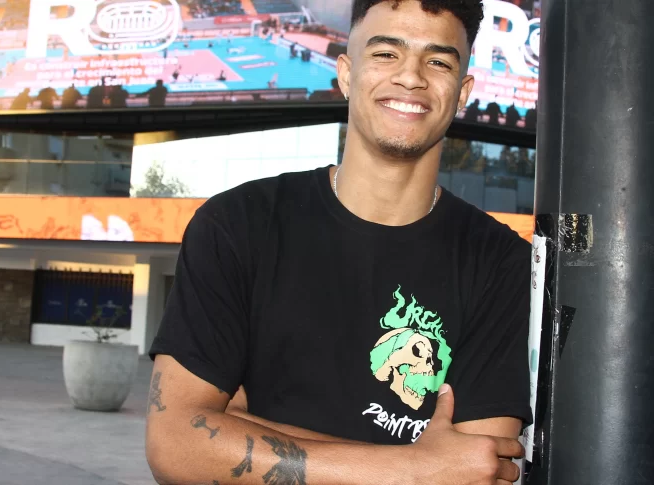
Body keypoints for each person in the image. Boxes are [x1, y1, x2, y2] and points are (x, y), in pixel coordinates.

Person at [146, 1, 531, 484]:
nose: (410, 77)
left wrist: (240, 428)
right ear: (346, 74)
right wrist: (414, 467)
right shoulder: (238, 224)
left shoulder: (502, 263)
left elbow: (477, 472)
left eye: (437, 61)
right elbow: (175, 445)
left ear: (463, 93)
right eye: (386, 54)